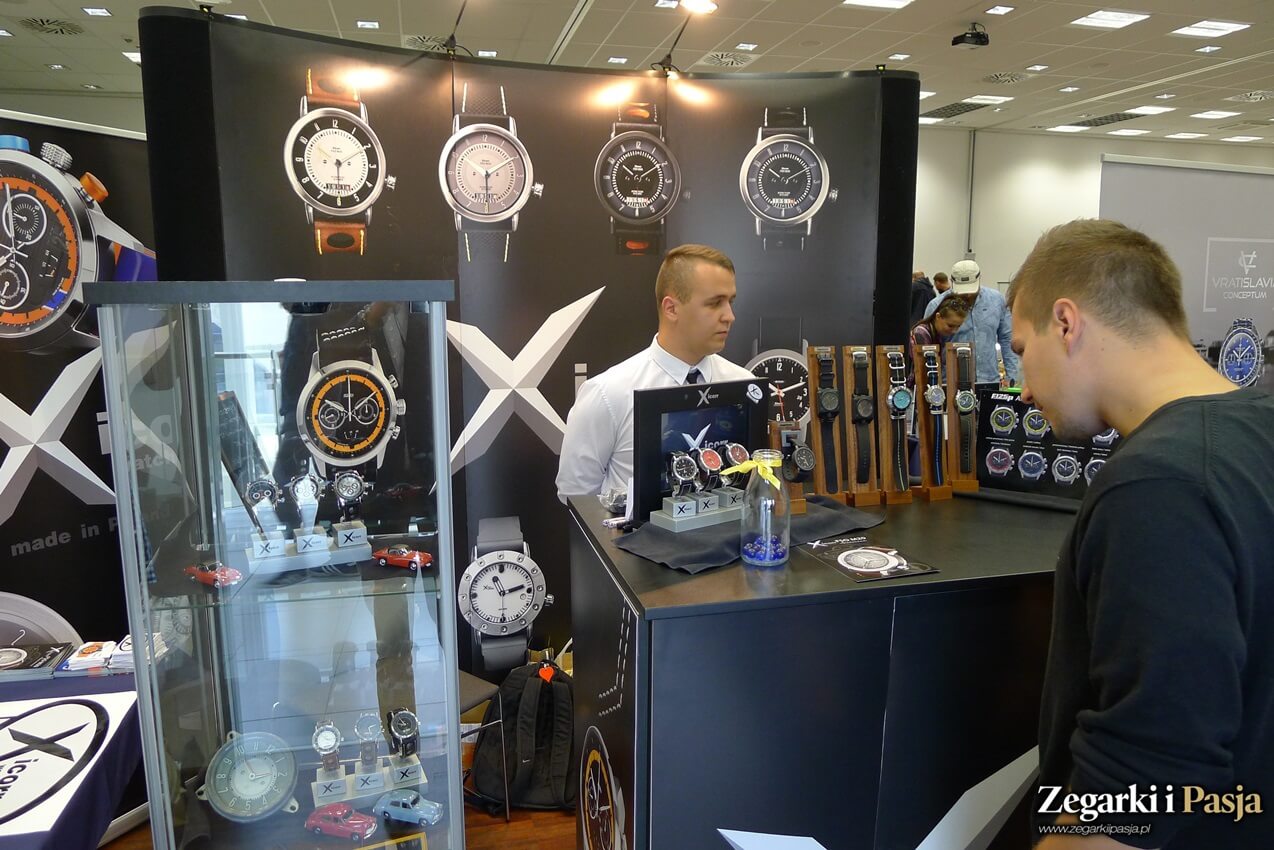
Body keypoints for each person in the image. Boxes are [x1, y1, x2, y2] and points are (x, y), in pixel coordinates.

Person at [1009, 219, 1274, 849]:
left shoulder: (1157, 486)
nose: (1022, 387)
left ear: (1066, 323)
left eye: (1021, 349)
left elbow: (1151, 775)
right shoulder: (1255, 435)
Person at [555, 244, 754, 502]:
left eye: (730, 302)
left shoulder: (744, 386)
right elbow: (576, 496)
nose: (730, 316)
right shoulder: (608, 394)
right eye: (715, 303)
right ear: (671, 308)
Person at [924, 259, 1019, 392]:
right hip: (951, 384)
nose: (967, 294)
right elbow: (928, 349)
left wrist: (1012, 376)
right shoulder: (936, 306)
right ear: (952, 281)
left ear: (979, 279)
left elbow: (1007, 339)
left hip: (989, 381)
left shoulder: (997, 301)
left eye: (971, 289)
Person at [906, 296, 969, 391]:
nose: (954, 331)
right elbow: (924, 369)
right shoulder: (921, 332)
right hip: (920, 388)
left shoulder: (940, 334)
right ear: (938, 316)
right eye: (950, 325)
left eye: (958, 326)